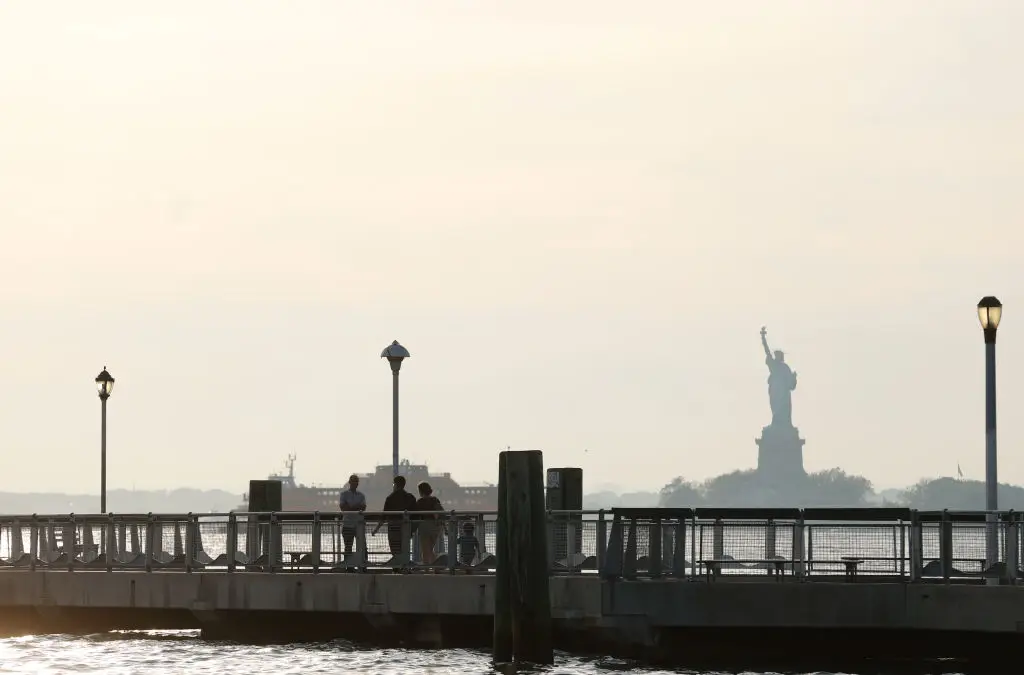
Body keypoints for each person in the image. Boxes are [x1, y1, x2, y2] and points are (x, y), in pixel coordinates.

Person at [379, 475, 417, 562]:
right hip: (406, 527)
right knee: (405, 548)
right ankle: (405, 565)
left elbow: (384, 516)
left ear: (395, 484)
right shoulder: (410, 497)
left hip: (393, 528)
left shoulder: (390, 498)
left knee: (395, 547)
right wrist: (413, 529)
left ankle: (396, 566)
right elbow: (416, 514)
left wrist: (376, 530)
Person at [414, 482, 443, 566]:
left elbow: (416, 515)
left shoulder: (420, 502)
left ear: (420, 491)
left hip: (424, 526)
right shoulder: (435, 500)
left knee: (426, 550)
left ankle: (427, 568)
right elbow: (440, 512)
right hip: (435, 527)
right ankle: (436, 567)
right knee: (430, 549)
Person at [338, 474, 366, 559]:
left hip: (358, 525)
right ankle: (349, 566)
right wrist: (357, 508)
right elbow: (343, 508)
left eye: (356, 481)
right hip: (347, 525)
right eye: (353, 481)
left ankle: (363, 565)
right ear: (349, 482)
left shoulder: (361, 495)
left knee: (363, 547)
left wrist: (350, 508)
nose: (355, 483)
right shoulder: (344, 494)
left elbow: (363, 507)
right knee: (348, 546)